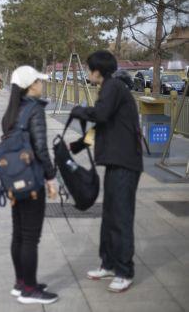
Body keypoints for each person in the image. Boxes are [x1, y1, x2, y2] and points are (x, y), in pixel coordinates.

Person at [70, 50, 143, 293]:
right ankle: (109, 264)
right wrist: (81, 143)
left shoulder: (113, 87)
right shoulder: (111, 88)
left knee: (120, 217)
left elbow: (99, 115)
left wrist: (79, 111)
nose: (88, 73)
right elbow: (105, 124)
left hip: (125, 164)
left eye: (89, 69)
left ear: (97, 71)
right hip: (116, 163)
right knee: (110, 215)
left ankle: (124, 271)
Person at [1, 65, 58, 304]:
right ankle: (29, 290)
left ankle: (20, 282)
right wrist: (51, 177)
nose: (41, 85)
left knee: (19, 234)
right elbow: (41, 149)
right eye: (39, 81)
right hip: (32, 180)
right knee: (30, 238)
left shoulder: (13, 111)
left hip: (14, 180)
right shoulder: (34, 110)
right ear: (30, 85)